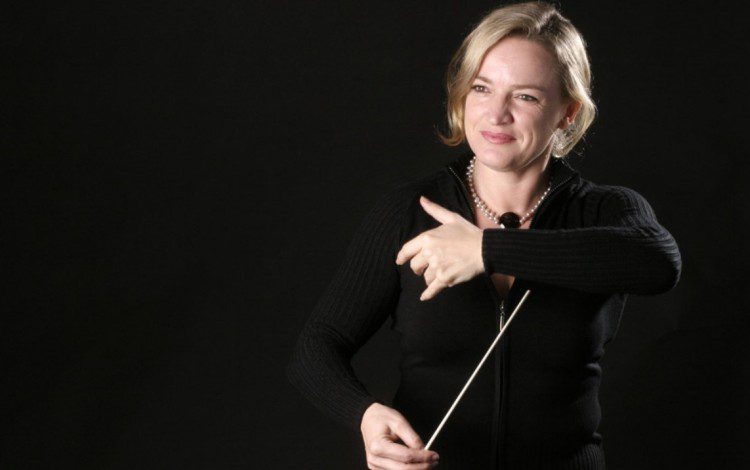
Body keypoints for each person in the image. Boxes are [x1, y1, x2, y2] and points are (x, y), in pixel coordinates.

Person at [286, 2, 681, 469]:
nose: (496, 114)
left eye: (525, 97)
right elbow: (318, 345)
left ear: (567, 112)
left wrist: (488, 249)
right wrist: (365, 415)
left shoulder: (604, 210)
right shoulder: (409, 212)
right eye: (481, 88)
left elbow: (658, 262)